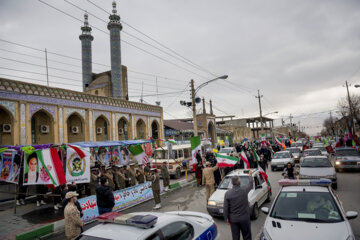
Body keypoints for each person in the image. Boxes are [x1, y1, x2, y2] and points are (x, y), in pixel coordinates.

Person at [224, 170, 254, 240]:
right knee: (247, 236)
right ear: (239, 182)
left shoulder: (228, 193)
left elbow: (225, 208)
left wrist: (226, 218)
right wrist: (250, 175)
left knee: (235, 237)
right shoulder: (244, 190)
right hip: (245, 219)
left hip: (233, 220)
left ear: (231, 183)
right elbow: (250, 184)